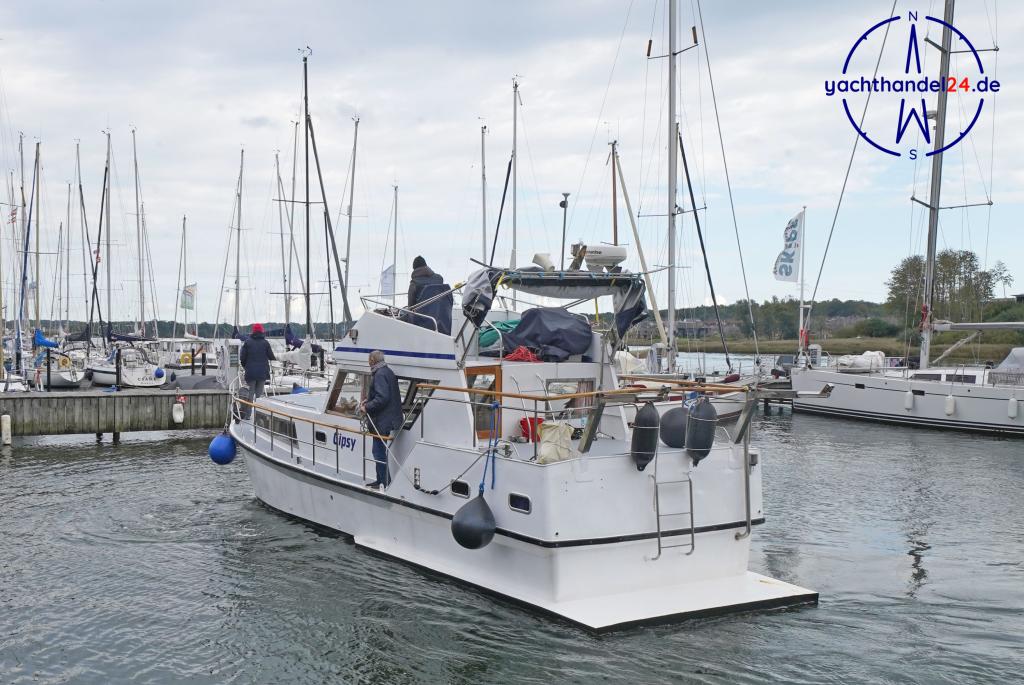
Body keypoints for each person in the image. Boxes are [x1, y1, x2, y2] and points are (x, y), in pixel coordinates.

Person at [360, 350, 402, 489]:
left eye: (369, 360)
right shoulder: (387, 371)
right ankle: (380, 480)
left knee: (378, 452)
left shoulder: (379, 374)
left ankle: (385, 482)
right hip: (388, 419)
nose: (368, 362)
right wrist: (369, 400)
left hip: (382, 421)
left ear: (373, 360)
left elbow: (382, 398)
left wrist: (367, 407)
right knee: (378, 451)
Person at [405, 256, 454, 334]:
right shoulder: (439, 279)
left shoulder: (414, 283)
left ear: (414, 269)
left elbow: (410, 308)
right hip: (442, 323)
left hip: (421, 324)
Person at [240, 323, 276, 399]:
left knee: (250, 393)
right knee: (259, 395)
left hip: (250, 372)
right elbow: (271, 356)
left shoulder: (247, 342)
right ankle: (257, 410)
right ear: (262, 331)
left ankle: (249, 410)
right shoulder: (265, 343)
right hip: (262, 373)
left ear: (253, 331)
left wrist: (246, 367)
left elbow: (242, 358)